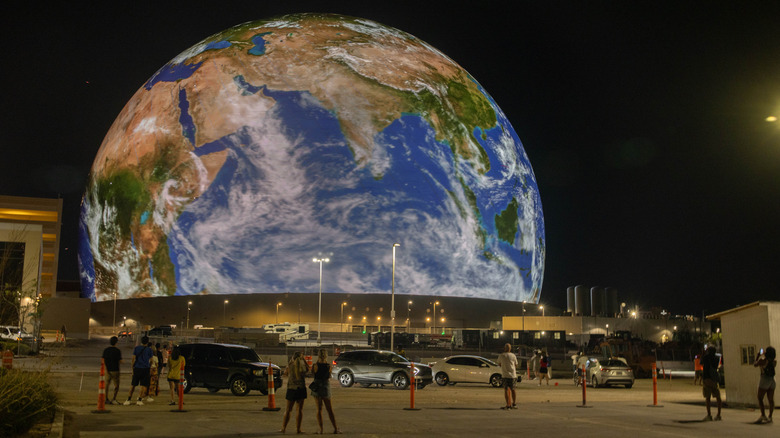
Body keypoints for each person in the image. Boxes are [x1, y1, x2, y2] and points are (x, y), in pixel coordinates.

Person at [311, 349, 341, 434]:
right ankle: (335, 428)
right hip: (325, 386)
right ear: (326, 356)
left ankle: (321, 430)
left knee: (319, 409)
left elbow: (312, 373)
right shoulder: (328, 366)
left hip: (317, 387)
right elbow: (329, 376)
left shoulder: (315, 365)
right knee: (329, 409)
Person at [281, 351, 309, 434]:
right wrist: (304, 360)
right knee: (299, 409)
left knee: (288, 410)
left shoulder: (290, 365)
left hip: (291, 389)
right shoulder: (302, 365)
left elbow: (285, 374)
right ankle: (298, 429)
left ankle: (283, 428)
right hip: (301, 388)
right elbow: (307, 370)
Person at [124, 336, 154, 405]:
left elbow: (133, 359)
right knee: (143, 385)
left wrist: (133, 368)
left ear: (141, 341)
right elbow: (151, 360)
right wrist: (149, 365)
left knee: (133, 384)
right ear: (147, 342)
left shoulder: (136, 348)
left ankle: (128, 399)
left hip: (137, 368)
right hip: (145, 369)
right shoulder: (149, 350)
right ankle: (139, 399)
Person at [754, 346, 776, 424]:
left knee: (760, 398)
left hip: (764, 380)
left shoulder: (762, 361)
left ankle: (763, 415)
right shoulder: (774, 362)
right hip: (772, 381)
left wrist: (758, 356)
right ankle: (770, 416)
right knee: (771, 400)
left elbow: (755, 364)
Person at [701, 345, 722, 421]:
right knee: (718, 397)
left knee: (708, 397)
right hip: (714, 379)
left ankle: (709, 415)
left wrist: (703, 353)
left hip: (707, 378)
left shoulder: (706, 357)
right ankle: (719, 414)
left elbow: (701, 362)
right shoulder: (717, 358)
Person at [496, 343, 518, 409]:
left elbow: (499, 364)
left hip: (505, 375)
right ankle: (514, 403)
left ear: (504, 348)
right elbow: (516, 364)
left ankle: (508, 404)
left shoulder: (501, 355)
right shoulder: (513, 355)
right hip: (513, 375)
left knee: (506, 390)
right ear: (510, 348)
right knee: (513, 389)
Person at [101, 336, 122, 404]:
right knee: (116, 385)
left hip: (107, 369)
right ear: (116, 342)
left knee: (107, 384)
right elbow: (120, 361)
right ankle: (114, 399)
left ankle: (106, 398)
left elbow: (103, 360)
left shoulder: (106, 350)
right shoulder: (117, 351)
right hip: (115, 370)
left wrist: (105, 367)